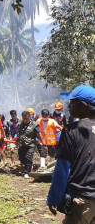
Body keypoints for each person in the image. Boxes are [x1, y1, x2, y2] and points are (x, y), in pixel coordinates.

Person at [47, 85, 95, 223]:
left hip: (82, 200)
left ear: (84, 105)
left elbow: (62, 169)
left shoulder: (71, 131)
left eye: (72, 103)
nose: (69, 106)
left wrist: (54, 198)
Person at [16, 111, 43, 178]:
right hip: (22, 144)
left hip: (30, 144)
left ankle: (27, 172)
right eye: (24, 118)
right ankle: (29, 166)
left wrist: (43, 143)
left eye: (27, 118)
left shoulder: (34, 125)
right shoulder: (19, 123)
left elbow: (39, 134)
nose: (25, 120)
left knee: (28, 157)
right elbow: (18, 132)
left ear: (29, 117)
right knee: (21, 158)